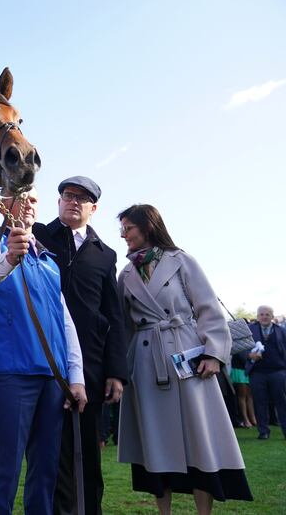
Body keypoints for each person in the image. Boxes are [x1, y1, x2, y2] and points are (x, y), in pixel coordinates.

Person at [116, 204, 252, 514]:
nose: (123, 235)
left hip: (188, 359)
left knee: (199, 441)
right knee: (154, 445)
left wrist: (214, 354)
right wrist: (121, 370)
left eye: (128, 228)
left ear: (147, 227)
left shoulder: (182, 262)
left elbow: (208, 309)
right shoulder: (124, 274)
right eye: (121, 229)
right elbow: (122, 325)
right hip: (147, 363)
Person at [0, 187, 87, 515]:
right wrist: (8, 258)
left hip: (53, 377)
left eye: (34, 198)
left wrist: (75, 376)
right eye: (20, 196)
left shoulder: (49, 259)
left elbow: (65, 322)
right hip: (12, 371)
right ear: (1, 203)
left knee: (46, 468)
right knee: (6, 465)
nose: (29, 204)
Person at [31, 176, 127, 515]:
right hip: (43, 358)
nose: (73, 202)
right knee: (50, 448)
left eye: (82, 198)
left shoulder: (105, 254)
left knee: (88, 447)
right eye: (67, 196)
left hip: (91, 362)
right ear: (57, 202)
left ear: (93, 208)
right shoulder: (38, 236)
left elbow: (113, 314)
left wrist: (116, 371)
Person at [246, 305, 286, 440]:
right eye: (261, 314)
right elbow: (239, 348)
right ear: (257, 317)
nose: (264, 317)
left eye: (267, 314)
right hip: (257, 373)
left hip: (278, 372)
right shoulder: (249, 330)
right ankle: (263, 431)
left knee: (282, 402)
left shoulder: (281, 331)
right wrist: (249, 355)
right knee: (259, 402)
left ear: (272, 316)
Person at [230, 349, 255, 428]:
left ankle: (253, 418)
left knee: (250, 396)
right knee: (242, 396)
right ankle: (245, 419)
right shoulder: (237, 341)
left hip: (249, 369)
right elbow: (242, 355)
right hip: (240, 369)